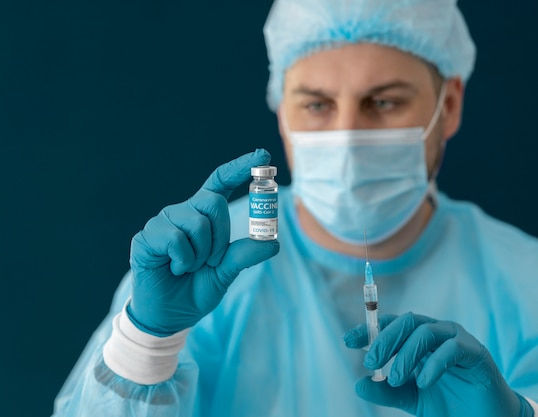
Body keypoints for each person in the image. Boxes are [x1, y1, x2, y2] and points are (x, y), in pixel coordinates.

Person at [52, 0, 538, 416]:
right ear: (282, 111)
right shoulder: (204, 263)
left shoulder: (524, 281)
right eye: (317, 105)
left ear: (449, 105)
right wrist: (147, 342)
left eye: (383, 102)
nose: (347, 138)